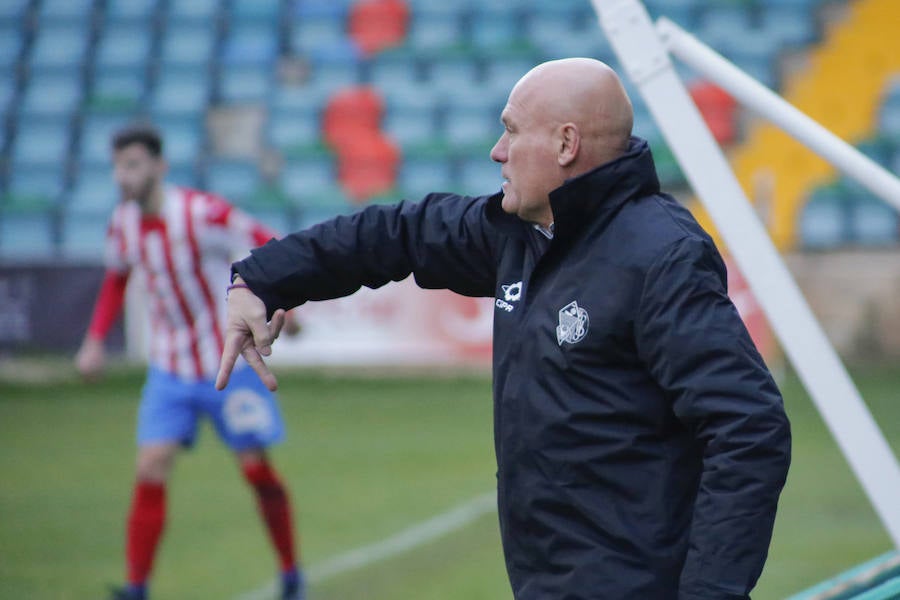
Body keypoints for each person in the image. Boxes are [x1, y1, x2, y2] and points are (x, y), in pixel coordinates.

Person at [216, 58, 792, 599]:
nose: (497, 152)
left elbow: (748, 427)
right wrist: (261, 280)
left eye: (512, 131)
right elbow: (395, 234)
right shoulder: (518, 234)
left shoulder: (661, 255)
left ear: (566, 144)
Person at [75, 124, 306, 600]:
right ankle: (137, 587)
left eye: (134, 164)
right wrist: (95, 340)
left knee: (255, 469)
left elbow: (265, 241)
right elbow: (117, 278)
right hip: (169, 368)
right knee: (151, 465)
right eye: (118, 166)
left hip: (229, 362)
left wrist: (288, 302)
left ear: (159, 167)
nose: (124, 175)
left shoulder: (202, 213)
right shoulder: (121, 223)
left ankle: (290, 573)